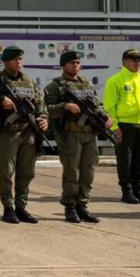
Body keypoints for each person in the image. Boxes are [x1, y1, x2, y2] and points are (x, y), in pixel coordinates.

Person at [0, 46, 49, 224]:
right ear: (5, 62)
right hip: (7, 133)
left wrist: (43, 117)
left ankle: (21, 207)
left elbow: (39, 103)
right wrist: (0, 100)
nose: (19, 62)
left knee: (27, 172)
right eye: (15, 59)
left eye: (20, 59)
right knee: (6, 172)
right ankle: (8, 208)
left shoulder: (28, 81)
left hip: (28, 131)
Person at [45, 51, 113, 222]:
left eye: (77, 62)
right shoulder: (55, 86)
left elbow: (97, 105)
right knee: (71, 172)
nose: (75, 65)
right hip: (70, 134)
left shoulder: (87, 84)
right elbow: (46, 109)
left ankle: (82, 205)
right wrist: (65, 106)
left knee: (88, 171)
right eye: (72, 63)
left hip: (90, 133)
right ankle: (70, 207)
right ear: (63, 65)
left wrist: (105, 116)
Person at [103, 48, 140, 204]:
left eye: (139, 60)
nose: (137, 63)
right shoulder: (115, 80)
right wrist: (114, 127)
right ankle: (126, 191)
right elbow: (109, 106)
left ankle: (138, 190)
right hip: (124, 125)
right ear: (125, 61)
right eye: (134, 59)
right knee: (125, 160)